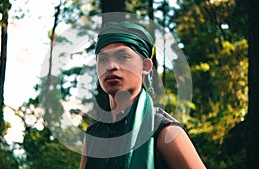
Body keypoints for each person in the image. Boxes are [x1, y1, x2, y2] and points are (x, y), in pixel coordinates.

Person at [79, 21, 206, 169]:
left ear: (145, 66)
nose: (111, 66)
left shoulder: (165, 132)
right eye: (103, 59)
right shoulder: (94, 135)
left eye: (122, 57)